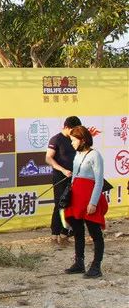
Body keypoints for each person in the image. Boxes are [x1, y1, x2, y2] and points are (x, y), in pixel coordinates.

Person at [63, 125, 109, 278]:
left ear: (82, 140)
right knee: (77, 231)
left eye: (74, 140)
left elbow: (99, 181)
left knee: (95, 233)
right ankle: (79, 262)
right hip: (76, 199)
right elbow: (75, 178)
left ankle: (96, 267)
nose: (72, 143)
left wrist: (93, 202)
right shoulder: (77, 155)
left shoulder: (95, 155)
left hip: (89, 200)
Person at [45, 116, 81, 245]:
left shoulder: (76, 140)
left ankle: (65, 233)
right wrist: (63, 170)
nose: (74, 133)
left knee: (72, 205)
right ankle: (55, 234)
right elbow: (49, 158)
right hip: (60, 177)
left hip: (75, 177)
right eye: (73, 130)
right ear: (66, 127)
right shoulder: (56, 139)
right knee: (60, 204)